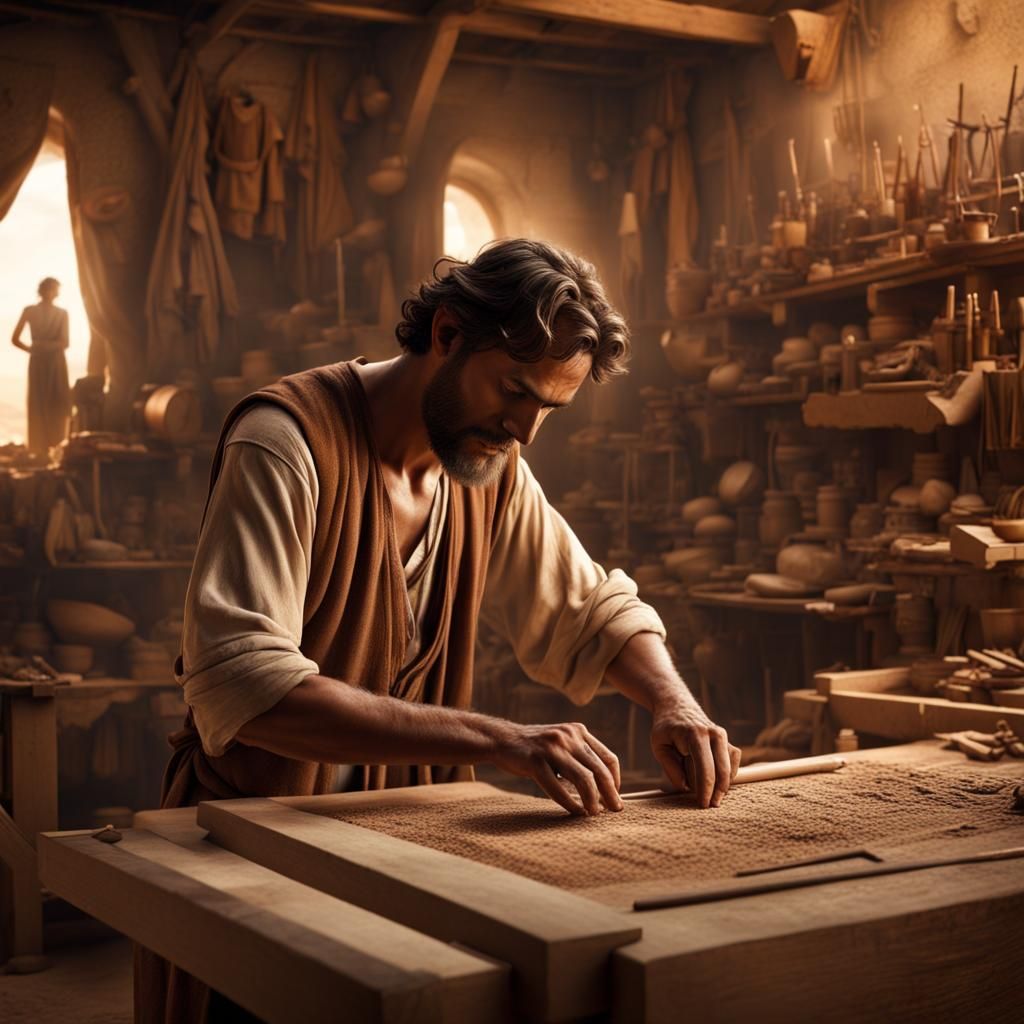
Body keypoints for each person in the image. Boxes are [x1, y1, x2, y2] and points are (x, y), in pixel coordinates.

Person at [139, 239, 740, 1021]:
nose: (523, 430)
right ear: (447, 334)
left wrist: (674, 702)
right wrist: (503, 740)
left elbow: (588, 610)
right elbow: (245, 687)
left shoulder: (490, 470)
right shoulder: (286, 441)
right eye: (514, 391)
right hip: (259, 842)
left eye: (548, 410)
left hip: (402, 854)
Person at [11, 276, 72, 455]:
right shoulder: (31, 311)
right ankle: (40, 449)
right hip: (44, 360)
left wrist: (35, 348)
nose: (52, 293)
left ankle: (55, 446)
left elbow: (65, 342)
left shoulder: (61, 313)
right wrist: (33, 349)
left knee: (55, 401)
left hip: (51, 361)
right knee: (40, 402)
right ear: (44, 291)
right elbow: (15, 339)